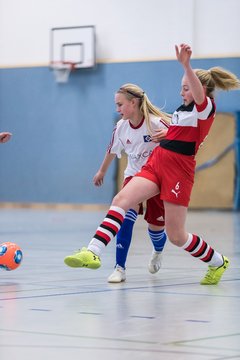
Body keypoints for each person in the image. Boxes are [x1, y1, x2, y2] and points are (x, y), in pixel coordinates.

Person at [64, 43, 240, 285]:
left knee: (176, 236)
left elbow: (197, 102)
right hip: (157, 162)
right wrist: (168, 136)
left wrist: (186, 65)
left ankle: (218, 261)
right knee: (121, 201)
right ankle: (92, 251)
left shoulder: (206, 108)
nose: (182, 93)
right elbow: (182, 133)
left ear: (202, 90)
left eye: (186, 88)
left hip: (179, 171)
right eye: (181, 88)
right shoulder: (183, 110)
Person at [92, 83, 170, 282]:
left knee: (156, 227)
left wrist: (169, 136)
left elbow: (185, 137)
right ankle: (119, 268)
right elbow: (111, 149)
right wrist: (102, 170)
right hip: (134, 176)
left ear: (133, 103)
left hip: (157, 179)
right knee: (125, 217)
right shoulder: (121, 126)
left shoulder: (157, 123)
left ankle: (158, 250)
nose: (117, 109)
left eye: (120, 105)